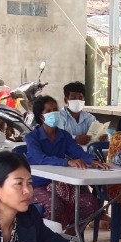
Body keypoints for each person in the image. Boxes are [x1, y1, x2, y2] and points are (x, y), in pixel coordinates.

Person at [25, 94, 100, 231]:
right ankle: (47, 239)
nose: (54, 113)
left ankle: (70, 236)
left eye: (55, 109)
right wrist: (67, 162)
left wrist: (93, 161)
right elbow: (40, 159)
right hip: (38, 184)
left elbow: (77, 152)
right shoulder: (32, 137)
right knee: (54, 206)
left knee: (90, 204)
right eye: (49, 111)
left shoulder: (64, 135)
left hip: (62, 183)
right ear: (41, 117)